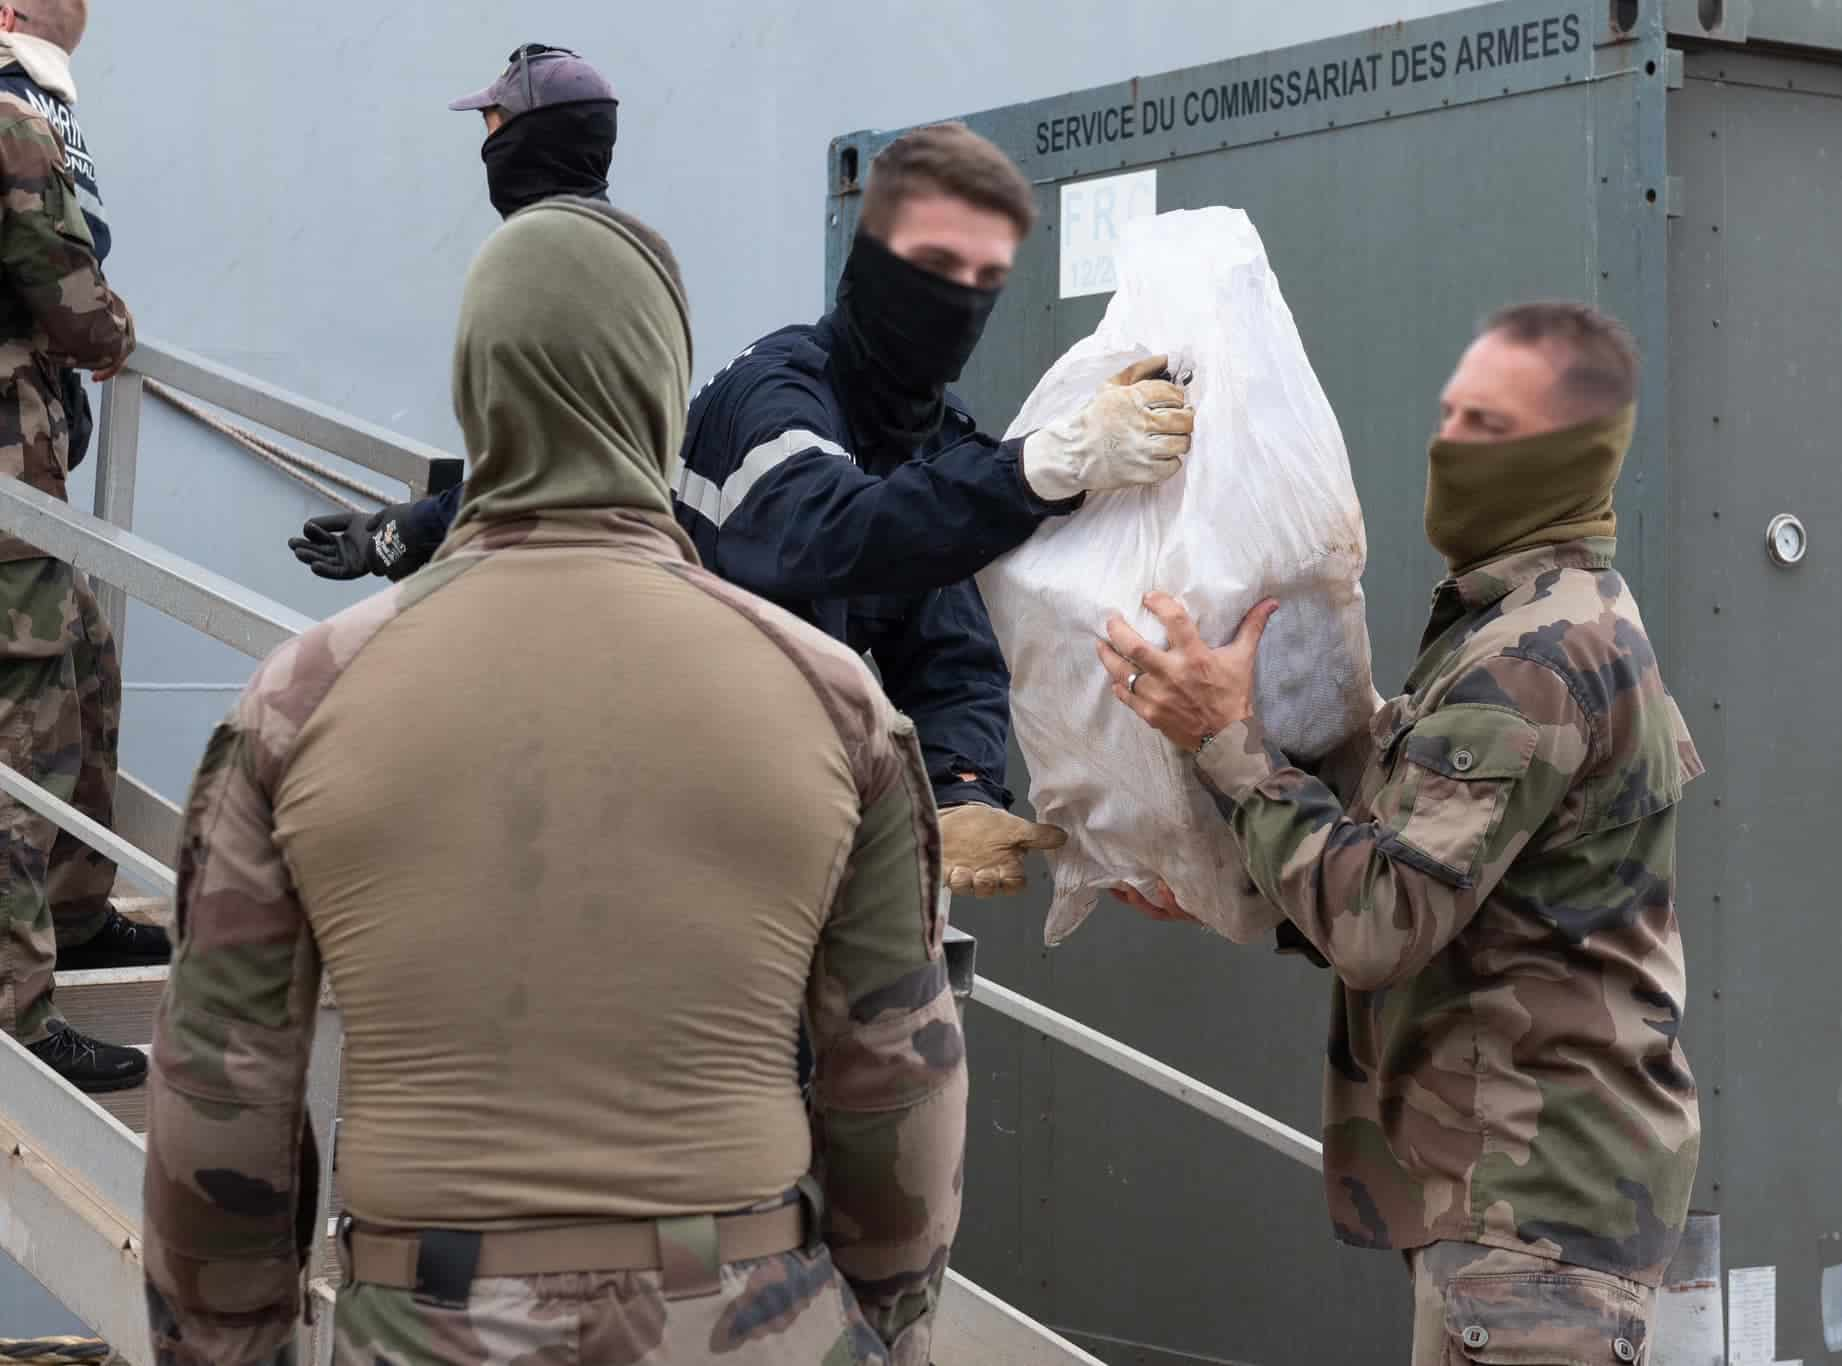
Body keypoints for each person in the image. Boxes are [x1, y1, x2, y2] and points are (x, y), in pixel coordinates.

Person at [145, 199, 965, 1365]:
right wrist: (880, 1333)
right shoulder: (832, 701)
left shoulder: (301, 700)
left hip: (422, 1318)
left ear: (478, 388)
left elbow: (220, 1096)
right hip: (749, 1317)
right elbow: (897, 1087)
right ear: (660, 395)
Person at [293, 120, 1195, 897]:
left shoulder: (939, 447)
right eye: (933, 264)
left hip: (784, 832)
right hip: (640, 813)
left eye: (981, 275)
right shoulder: (775, 400)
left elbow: (953, 656)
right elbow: (820, 532)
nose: (957, 297)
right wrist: (1046, 465)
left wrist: (958, 791)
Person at [1102, 302, 1702, 1365]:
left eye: (1486, 425)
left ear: (1566, 455)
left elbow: (1383, 919)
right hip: (1524, 1208)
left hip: (1530, 1226)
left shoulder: (1530, 659)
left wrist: (1225, 744)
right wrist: (1221, 888)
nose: (1447, 445)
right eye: (1449, 413)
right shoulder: (1534, 620)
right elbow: (1451, 900)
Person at [288, 42, 617, 583]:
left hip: (554, 588)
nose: (486, 148)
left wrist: (397, 537)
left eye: (493, 126)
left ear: (529, 139)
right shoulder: (618, 254)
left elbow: (537, 482)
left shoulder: (546, 274)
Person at [0, 0, 160, 1097]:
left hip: (24, 473)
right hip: (7, 473)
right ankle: (16, 1011)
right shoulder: (13, 126)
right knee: (22, 732)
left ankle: (77, 913)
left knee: (86, 666)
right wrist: (116, 331)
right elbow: (72, 303)